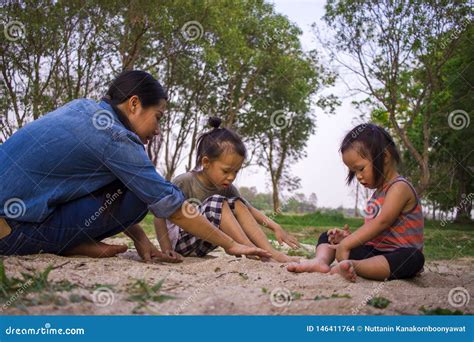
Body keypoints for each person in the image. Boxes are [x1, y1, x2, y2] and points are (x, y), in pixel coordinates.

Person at [0, 70, 271, 262]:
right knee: (142, 196)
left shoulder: (83, 109)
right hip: (12, 234)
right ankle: (69, 245)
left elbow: (125, 184)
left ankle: (74, 242)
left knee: (133, 185)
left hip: (15, 218)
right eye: (158, 117)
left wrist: (141, 240)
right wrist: (231, 244)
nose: (157, 130)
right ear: (134, 105)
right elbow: (170, 205)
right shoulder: (115, 137)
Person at [287, 123, 424, 281]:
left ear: (385, 157)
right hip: (374, 252)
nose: (358, 176)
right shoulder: (377, 194)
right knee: (328, 236)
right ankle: (321, 261)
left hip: (397, 255)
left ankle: (354, 266)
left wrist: (347, 244)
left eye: (360, 168)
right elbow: (373, 233)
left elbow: (382, 222)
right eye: (353, 171)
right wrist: (346, 238)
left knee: (414, 258)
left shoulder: (399, 188)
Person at [154, 117, 301, 263]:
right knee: (216, 201)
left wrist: (275, 226)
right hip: (179, 243)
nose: (231, 177)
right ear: (206, 162)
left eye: (236, 172)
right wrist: (166, 248)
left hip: (203, 244)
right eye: (226, 171)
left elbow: (248, 210)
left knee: (238, 203)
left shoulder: (227, 188)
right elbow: (160, 214)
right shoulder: (185, 181)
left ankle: (270, 252)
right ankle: (249, 248)